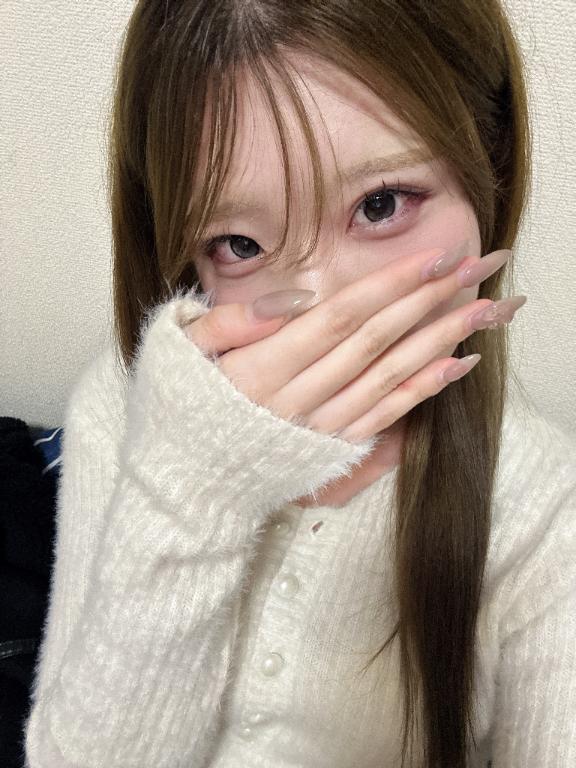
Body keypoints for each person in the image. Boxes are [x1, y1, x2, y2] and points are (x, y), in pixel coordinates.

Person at [22, 1, 576, 767]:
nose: (321, 307)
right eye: (239, 243)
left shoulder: (539, 501)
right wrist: (194, 488)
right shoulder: (125, 406)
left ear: (494, 166)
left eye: (381, 204)